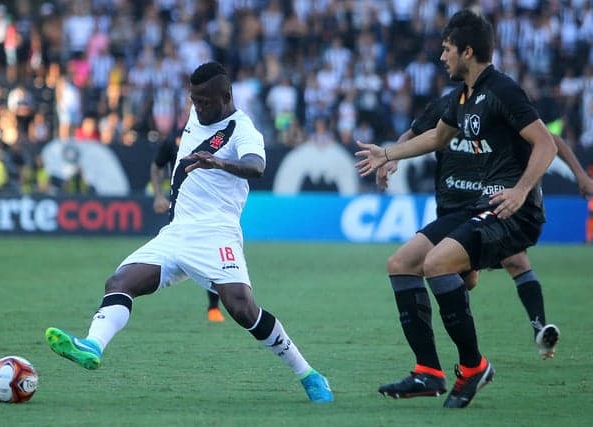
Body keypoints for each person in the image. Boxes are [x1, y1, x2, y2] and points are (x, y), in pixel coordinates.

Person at [45, 61, 333, 403]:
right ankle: (92, 346)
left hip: (216, 233)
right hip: (176, 232)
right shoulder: (196, 116)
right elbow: (166, 153)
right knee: (119, 282)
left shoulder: (243, 130)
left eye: (205, 101)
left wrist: (220, 163)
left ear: (226, 96)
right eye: (194, 100)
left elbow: (257, 167)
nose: (198, 107)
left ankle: (310, 375)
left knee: (242, 309)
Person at [355, 10, 557, 408]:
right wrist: (388, 153)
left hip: (514, 210)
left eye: (447, 49)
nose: (441, 57)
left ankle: (473, 367)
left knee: (436, 264)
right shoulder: (465, 95)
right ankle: (427, 372)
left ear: (468, 51)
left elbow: (546, 145)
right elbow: (437, 136)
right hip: (480, 206)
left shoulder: (502, 89)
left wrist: (519, 191)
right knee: (401, 263)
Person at [376, 93, 593, 361]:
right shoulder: (447, 105)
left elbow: (551, 140)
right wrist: (393, 158)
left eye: (448, 50)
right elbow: (412, 133)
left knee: (516, 259)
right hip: (451, 208)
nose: (444, 58)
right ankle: (457, 340)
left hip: (485, 204)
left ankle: (539, 328)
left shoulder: (496, 102)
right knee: (464, 279)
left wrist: (581, 176)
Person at [150, 123, 226, 323]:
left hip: (210, 206)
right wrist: (158, 195)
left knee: (212, 253)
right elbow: (156, 166)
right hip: (182, 207)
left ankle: (214, 307)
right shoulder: (176, 136)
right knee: (182, 249)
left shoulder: (219, 135)